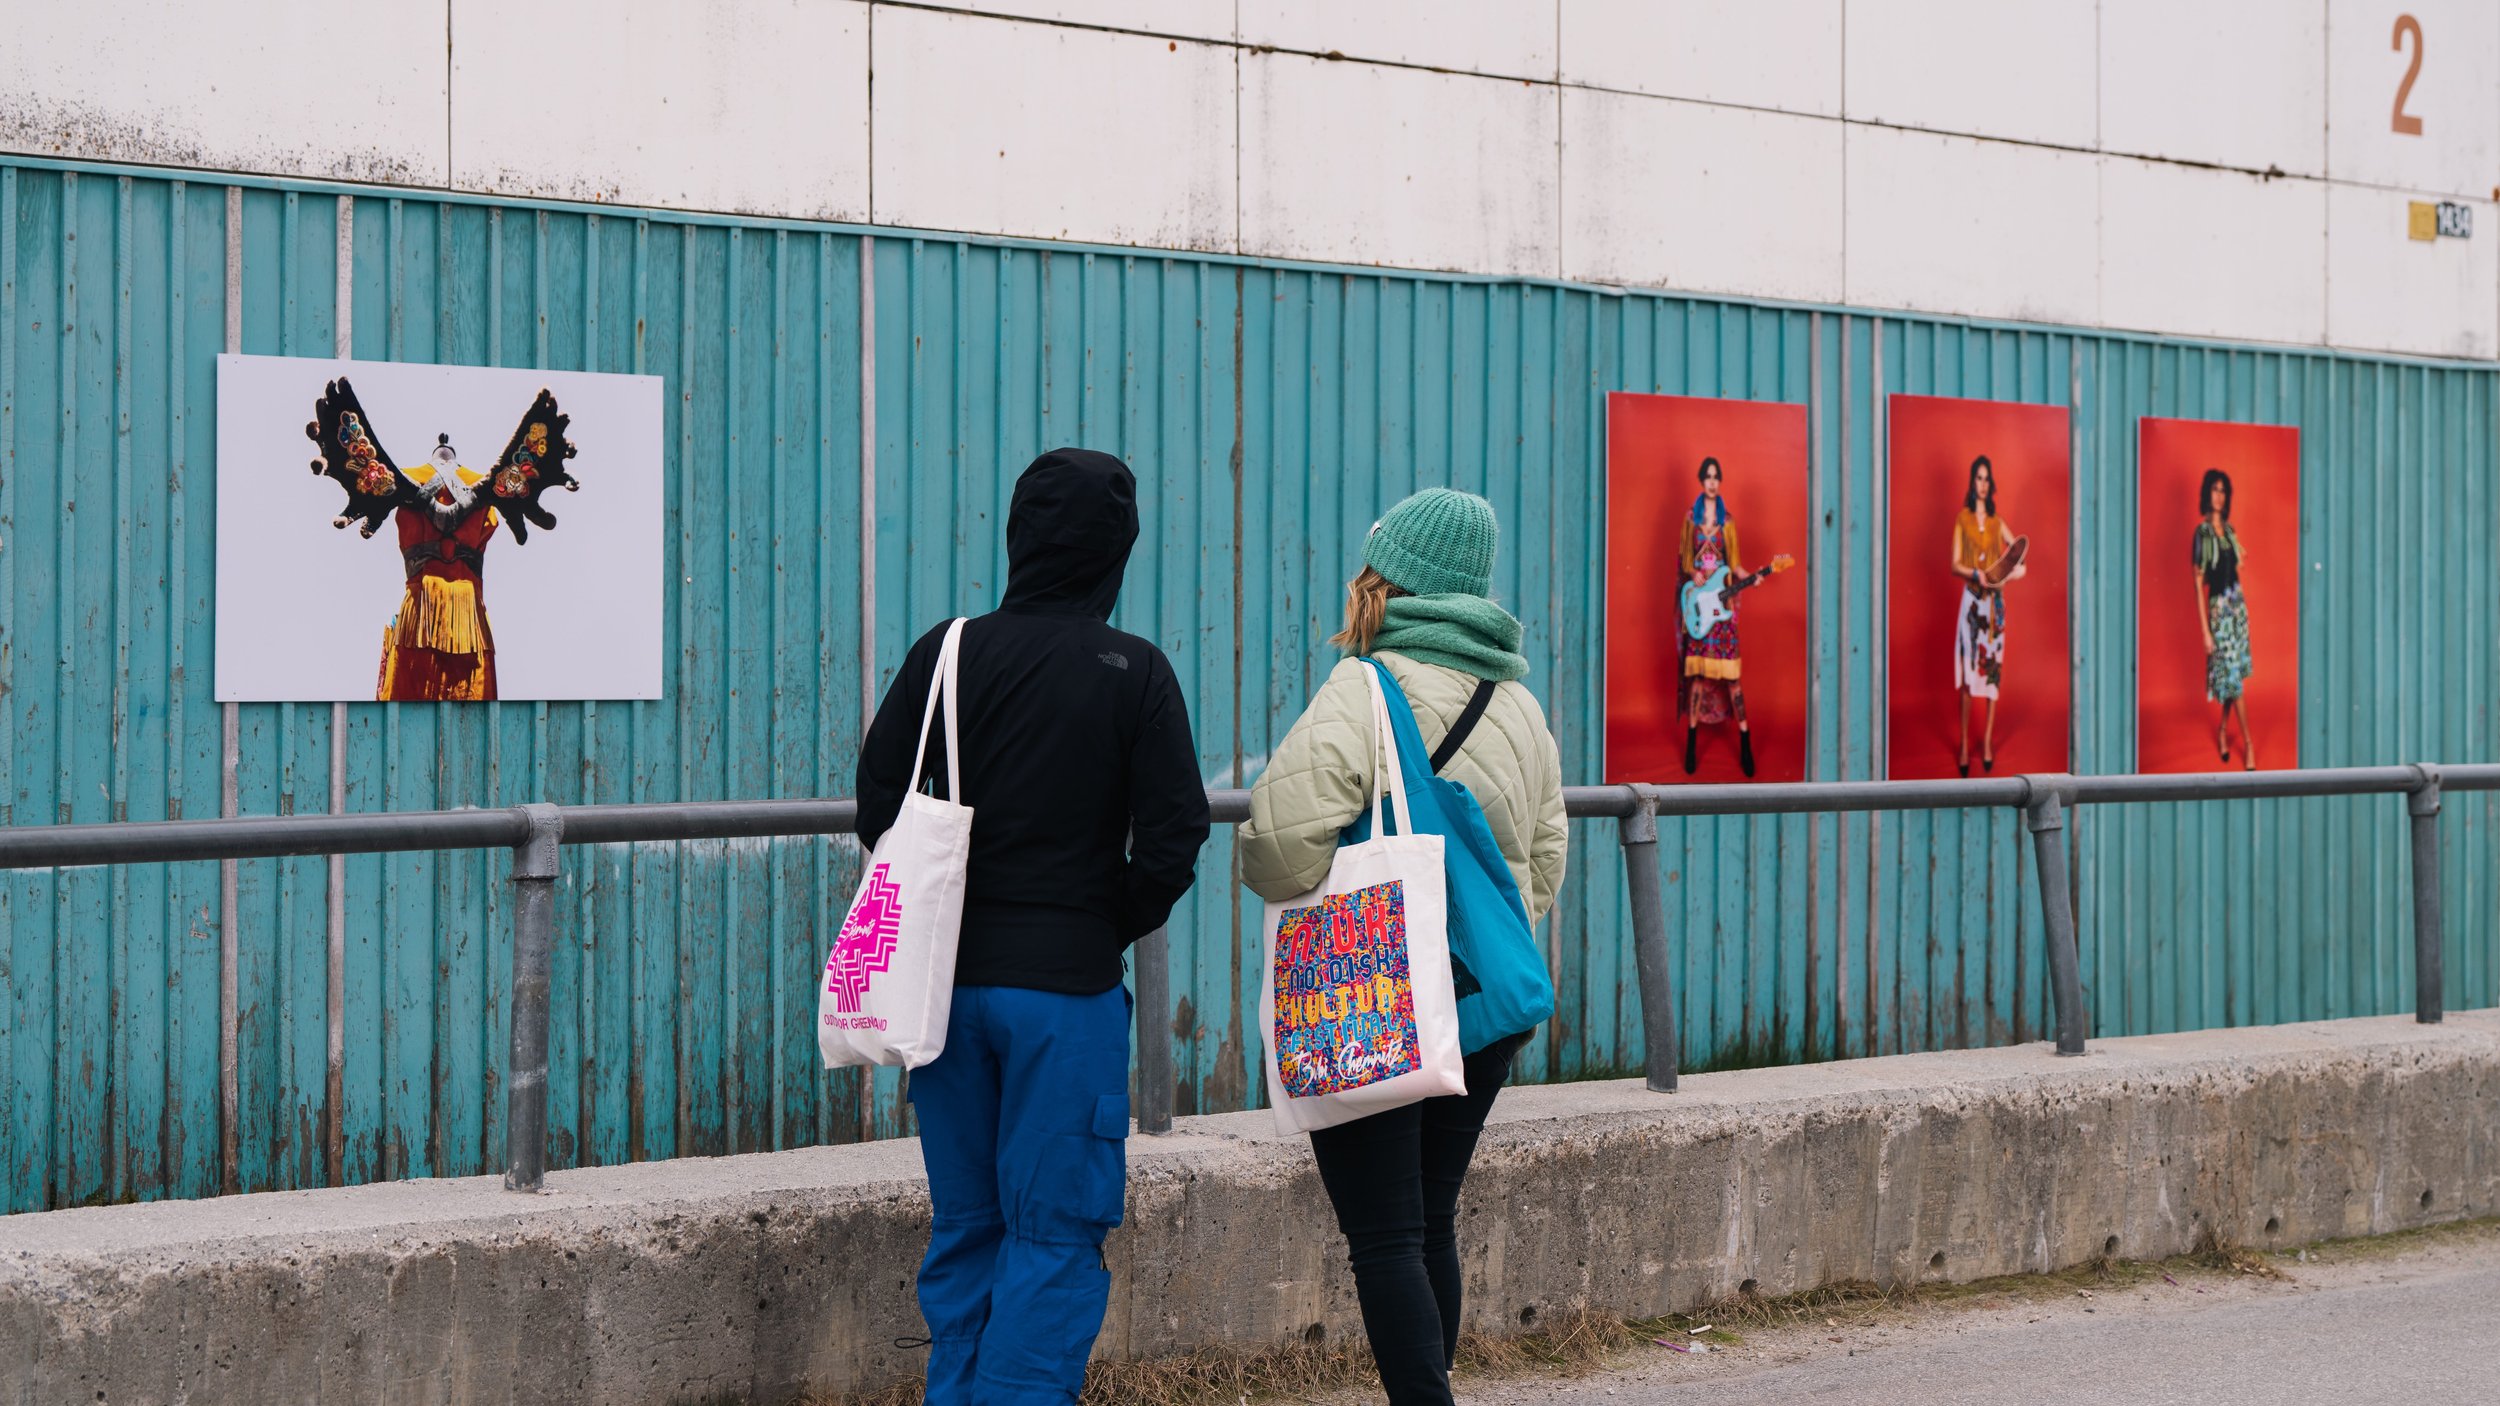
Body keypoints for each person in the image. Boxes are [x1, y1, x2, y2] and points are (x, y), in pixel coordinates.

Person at [855, 448, 1212, 1405]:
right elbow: (1177, 832)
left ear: (1017, 538)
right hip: (1066, 997)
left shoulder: (948, 651)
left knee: (967, 1224)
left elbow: (878, 804)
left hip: (945, 998)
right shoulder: (1133, 670)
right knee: (1053, 1231)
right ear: (1116, 555)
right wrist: (1106, 919)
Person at [1240, 487, 1567, 1406]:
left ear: (1392, 579)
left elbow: (1276, 840)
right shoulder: (1520, 706)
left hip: (1376, 991)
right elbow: (1542, 862)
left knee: (1384, 1237)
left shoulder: (1366, 687)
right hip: (1479, 1004)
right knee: (1429, 1220)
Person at [1951, 454, 2026, 775]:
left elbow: (2018, 552)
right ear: (1972, 483)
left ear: (1990, 484)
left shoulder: (1997, 524)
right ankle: (1966, 744)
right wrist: (1975, 574)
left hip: (1995, 610)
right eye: (1978, 478)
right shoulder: (1962, 519)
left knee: (1992, 675)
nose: (1982, 484)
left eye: (1986, 479)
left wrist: (2008, 575)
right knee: (1969, 676)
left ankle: (1987, 741)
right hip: (1971, 605)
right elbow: (1954, 564)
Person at [2193, 467, 2256, 769]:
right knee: (2232, 679)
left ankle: (2221, 730)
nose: (2219, 496)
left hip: (2238, 607)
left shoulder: (2229, 531)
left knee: (2235, 676)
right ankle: (2248, 742)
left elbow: (2238, 564)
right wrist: (2205, 630)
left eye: (2223, 491)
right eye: (2215, 490)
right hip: (2219, 611)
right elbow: (2197, 583)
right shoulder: (2201, 534)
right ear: (2207, 493)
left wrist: (2239, 555)